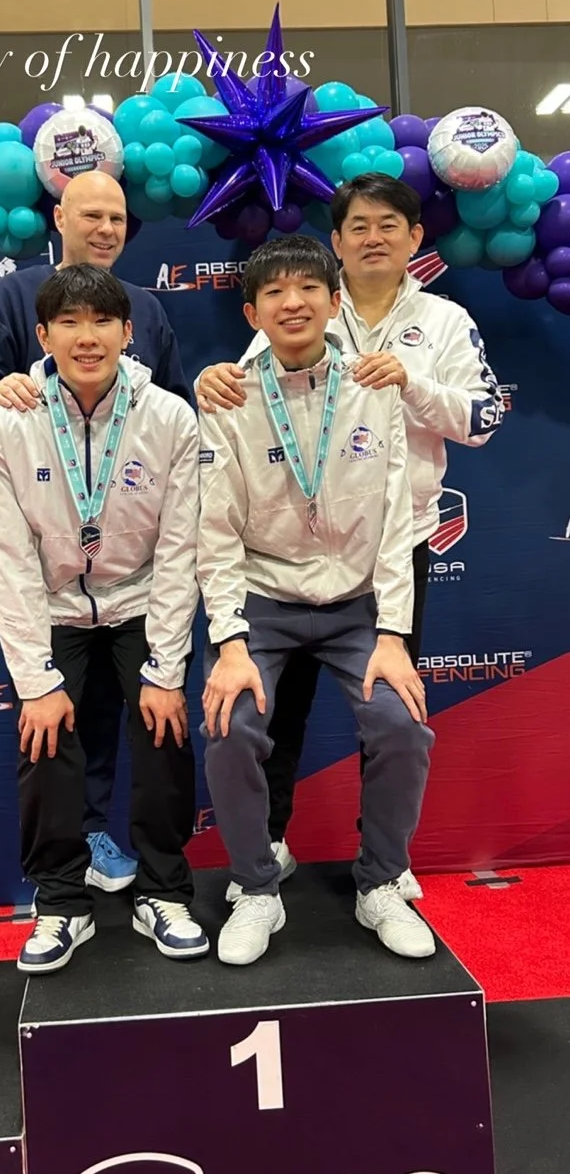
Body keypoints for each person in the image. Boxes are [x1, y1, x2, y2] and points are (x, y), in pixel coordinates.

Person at [197, 174, 503, 893]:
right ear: (336, 245)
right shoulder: (307, 309)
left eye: (388, 224)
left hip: (390, 543)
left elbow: (485, 419)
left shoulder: (445, 322)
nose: (373, 237)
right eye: (357, 226)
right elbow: (248, 404)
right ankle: (267, 845)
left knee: (388, 704)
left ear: (415, 238)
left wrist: (410, 385)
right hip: (285, 563)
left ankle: (383, 864)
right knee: (279, 710)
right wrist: (213, 381)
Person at [197, 234, 436, 966]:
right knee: (232, 724)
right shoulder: (228, 397)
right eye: (275, 292)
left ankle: (381, 883)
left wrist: (394, 633)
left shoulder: (375, 386)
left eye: (308, 288)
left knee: (400, 723)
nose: (292, 302)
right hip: (265, 601)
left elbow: (397, 519)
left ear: (335, 303)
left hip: (356, 602)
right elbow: (215, 530)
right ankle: (258, 889)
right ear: (253, 312)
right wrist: (230, 642)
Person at [0, 170, 191, 894]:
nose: (106, 228)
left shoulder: (145, 306)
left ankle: (154, 879)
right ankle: (61, 879)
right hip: (54, 558)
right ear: (60, 217)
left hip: (133, 569)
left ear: (123, 330)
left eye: (117, 217)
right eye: (92, 214)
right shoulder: (13, 297)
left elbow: (173, 412)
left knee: (149, 719)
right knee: (54, 719)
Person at [0, 263, 208, 973]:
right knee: (45, 739)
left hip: (140, 599)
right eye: (68, 323)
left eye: (102, 321)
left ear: (128, 332)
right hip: (56, 607)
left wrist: (166, 667)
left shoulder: (169, 416)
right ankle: (60, 904)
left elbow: (180, 550)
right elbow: (6, 557)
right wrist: (35, 681)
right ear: (43, 336)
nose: (87, 337)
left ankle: (164, 892)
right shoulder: (4, 421)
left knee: (163, 728)